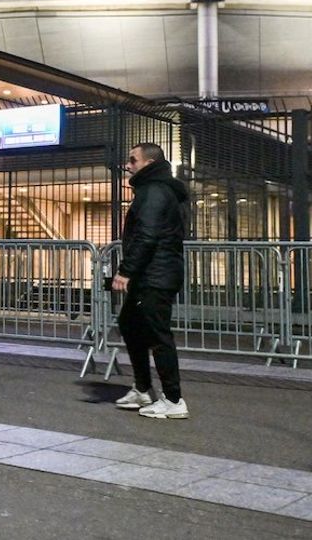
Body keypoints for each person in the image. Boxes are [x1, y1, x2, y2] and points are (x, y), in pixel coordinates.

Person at [111, 143, 191, 420]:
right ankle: (143, 388)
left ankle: (173, 399)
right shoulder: (153, 189)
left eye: (133, 160)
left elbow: (147, 234)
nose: (129, 164)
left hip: (155, 274)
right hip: (154, 272)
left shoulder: (154, 191)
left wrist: (125, 271)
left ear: (149, 162)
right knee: (129, 324)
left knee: (158, 335)